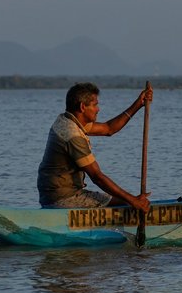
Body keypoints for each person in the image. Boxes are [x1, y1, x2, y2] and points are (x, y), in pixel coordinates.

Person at [38, 81, 153, 211]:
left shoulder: (67, 119)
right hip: (63, 199)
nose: (98, 109)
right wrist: (133, 201)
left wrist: (138, 104)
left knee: (124, 200)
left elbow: (108, 128)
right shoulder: (72, 134)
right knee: (125, 203)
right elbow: (97, 177)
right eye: (95, 105)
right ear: (82, 107)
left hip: (51, 196)